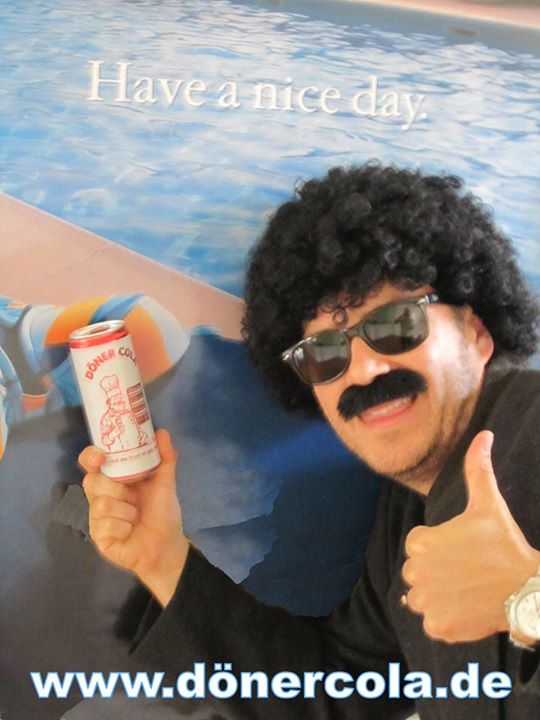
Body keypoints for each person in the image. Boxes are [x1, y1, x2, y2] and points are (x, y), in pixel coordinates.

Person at [81, 163, 540, 718]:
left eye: (396, 324)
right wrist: (163, 557)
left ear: (477, 332)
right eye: (324, 352)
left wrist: (527, 597)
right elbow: (336, 694)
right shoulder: (403, 518)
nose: (364, 369)